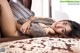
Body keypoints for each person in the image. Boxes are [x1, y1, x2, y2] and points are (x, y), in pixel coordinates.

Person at [0, 0, 80, 38]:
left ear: (63, 35)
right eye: (64, 23)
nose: (59, 25)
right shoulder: (52, 22)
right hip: (18, 23)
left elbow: (22, 29)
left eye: (62, 30)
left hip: (14, 31)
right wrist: (28, 22)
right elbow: (33, 18)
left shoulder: (46, 32)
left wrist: (13, 19)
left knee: (3, 2)